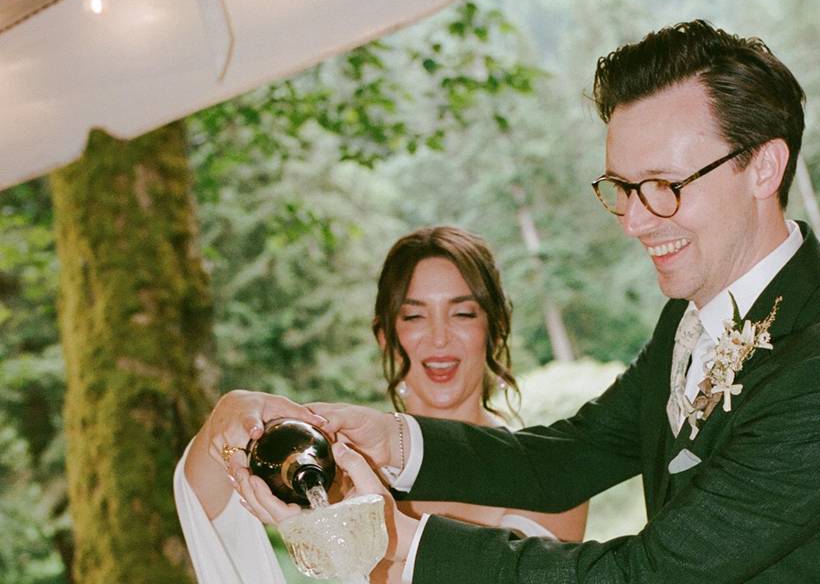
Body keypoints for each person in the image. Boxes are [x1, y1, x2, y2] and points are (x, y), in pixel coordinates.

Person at [308, 20, 820, 583]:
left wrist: (401, 543)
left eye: (662, 186)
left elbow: (647, 576)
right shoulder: (691, 318)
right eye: (623, 188)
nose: (634, 222)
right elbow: (566, 458)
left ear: (763, 168)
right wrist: (393, 441)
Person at [173, 226, 587, 583]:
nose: (439, 338)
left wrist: (387, 533)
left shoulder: (552, 479)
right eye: (414, 317)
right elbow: (208, 509)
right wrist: (227, 414)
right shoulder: (340, 469)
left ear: (495, 329)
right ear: (385, 335)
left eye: (462, 314)